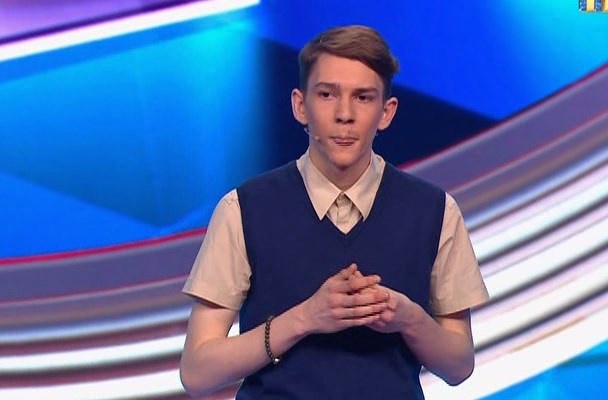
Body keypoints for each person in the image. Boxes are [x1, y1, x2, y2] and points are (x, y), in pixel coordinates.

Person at [179, 25, 489, 399]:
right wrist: (305, 318)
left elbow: (459, 366)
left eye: (363, 97)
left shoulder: (435, 212)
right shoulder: (243, 209)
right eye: (327, 94)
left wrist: (409, 319)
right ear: (300, 105)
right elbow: (198, 373)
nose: (345, 114)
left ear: (386, 112)